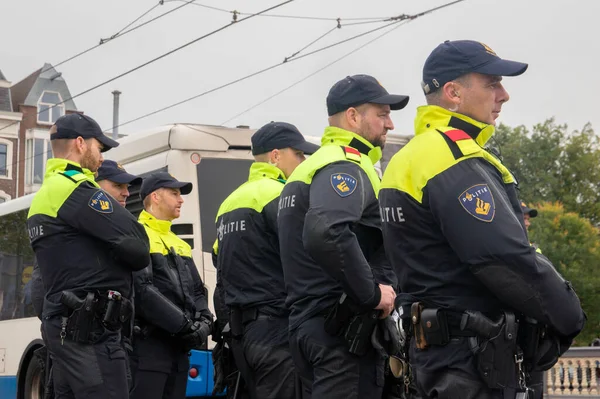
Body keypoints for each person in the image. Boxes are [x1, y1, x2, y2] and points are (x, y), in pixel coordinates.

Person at [379, 40, 586, 398]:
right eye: (492, 83)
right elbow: (504, 259)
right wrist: (568, 315)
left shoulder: (411, 156)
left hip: (437, 355)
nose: (503, 94)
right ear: (453, 93)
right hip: (471, 362)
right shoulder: (452, 158)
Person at [278, 74, 409, 398]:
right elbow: (326, 231)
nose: (390, 124)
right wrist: (372, 294)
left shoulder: (309, 168)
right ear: (353, 116)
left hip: (311, 325)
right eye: (381, 114)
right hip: (341, 331)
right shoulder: (346, 164)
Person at [27, 113, 150, 399]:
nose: (101, 154)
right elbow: (139, 245)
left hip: (68, 329)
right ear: (81, 143)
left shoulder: (47, 193)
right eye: (99, 146)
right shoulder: (75, 190)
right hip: (91, 334)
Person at [212, 121, 319, 399]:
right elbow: (308, 253)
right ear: (275, 155)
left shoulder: (229, 202)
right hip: (278, 332)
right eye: (298, 154)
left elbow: (218, 264)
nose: (303, 161)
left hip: (243, 336)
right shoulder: (281, 195)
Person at [130, 172, 213, 399]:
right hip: (149, 348)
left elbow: (196, 290)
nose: (181, 199)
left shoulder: (180, 244)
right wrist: (186, 326)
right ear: (155, 197)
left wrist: (205, 321)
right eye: (174, 193)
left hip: (179, 350)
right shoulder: (137, 235)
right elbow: (143, 292)